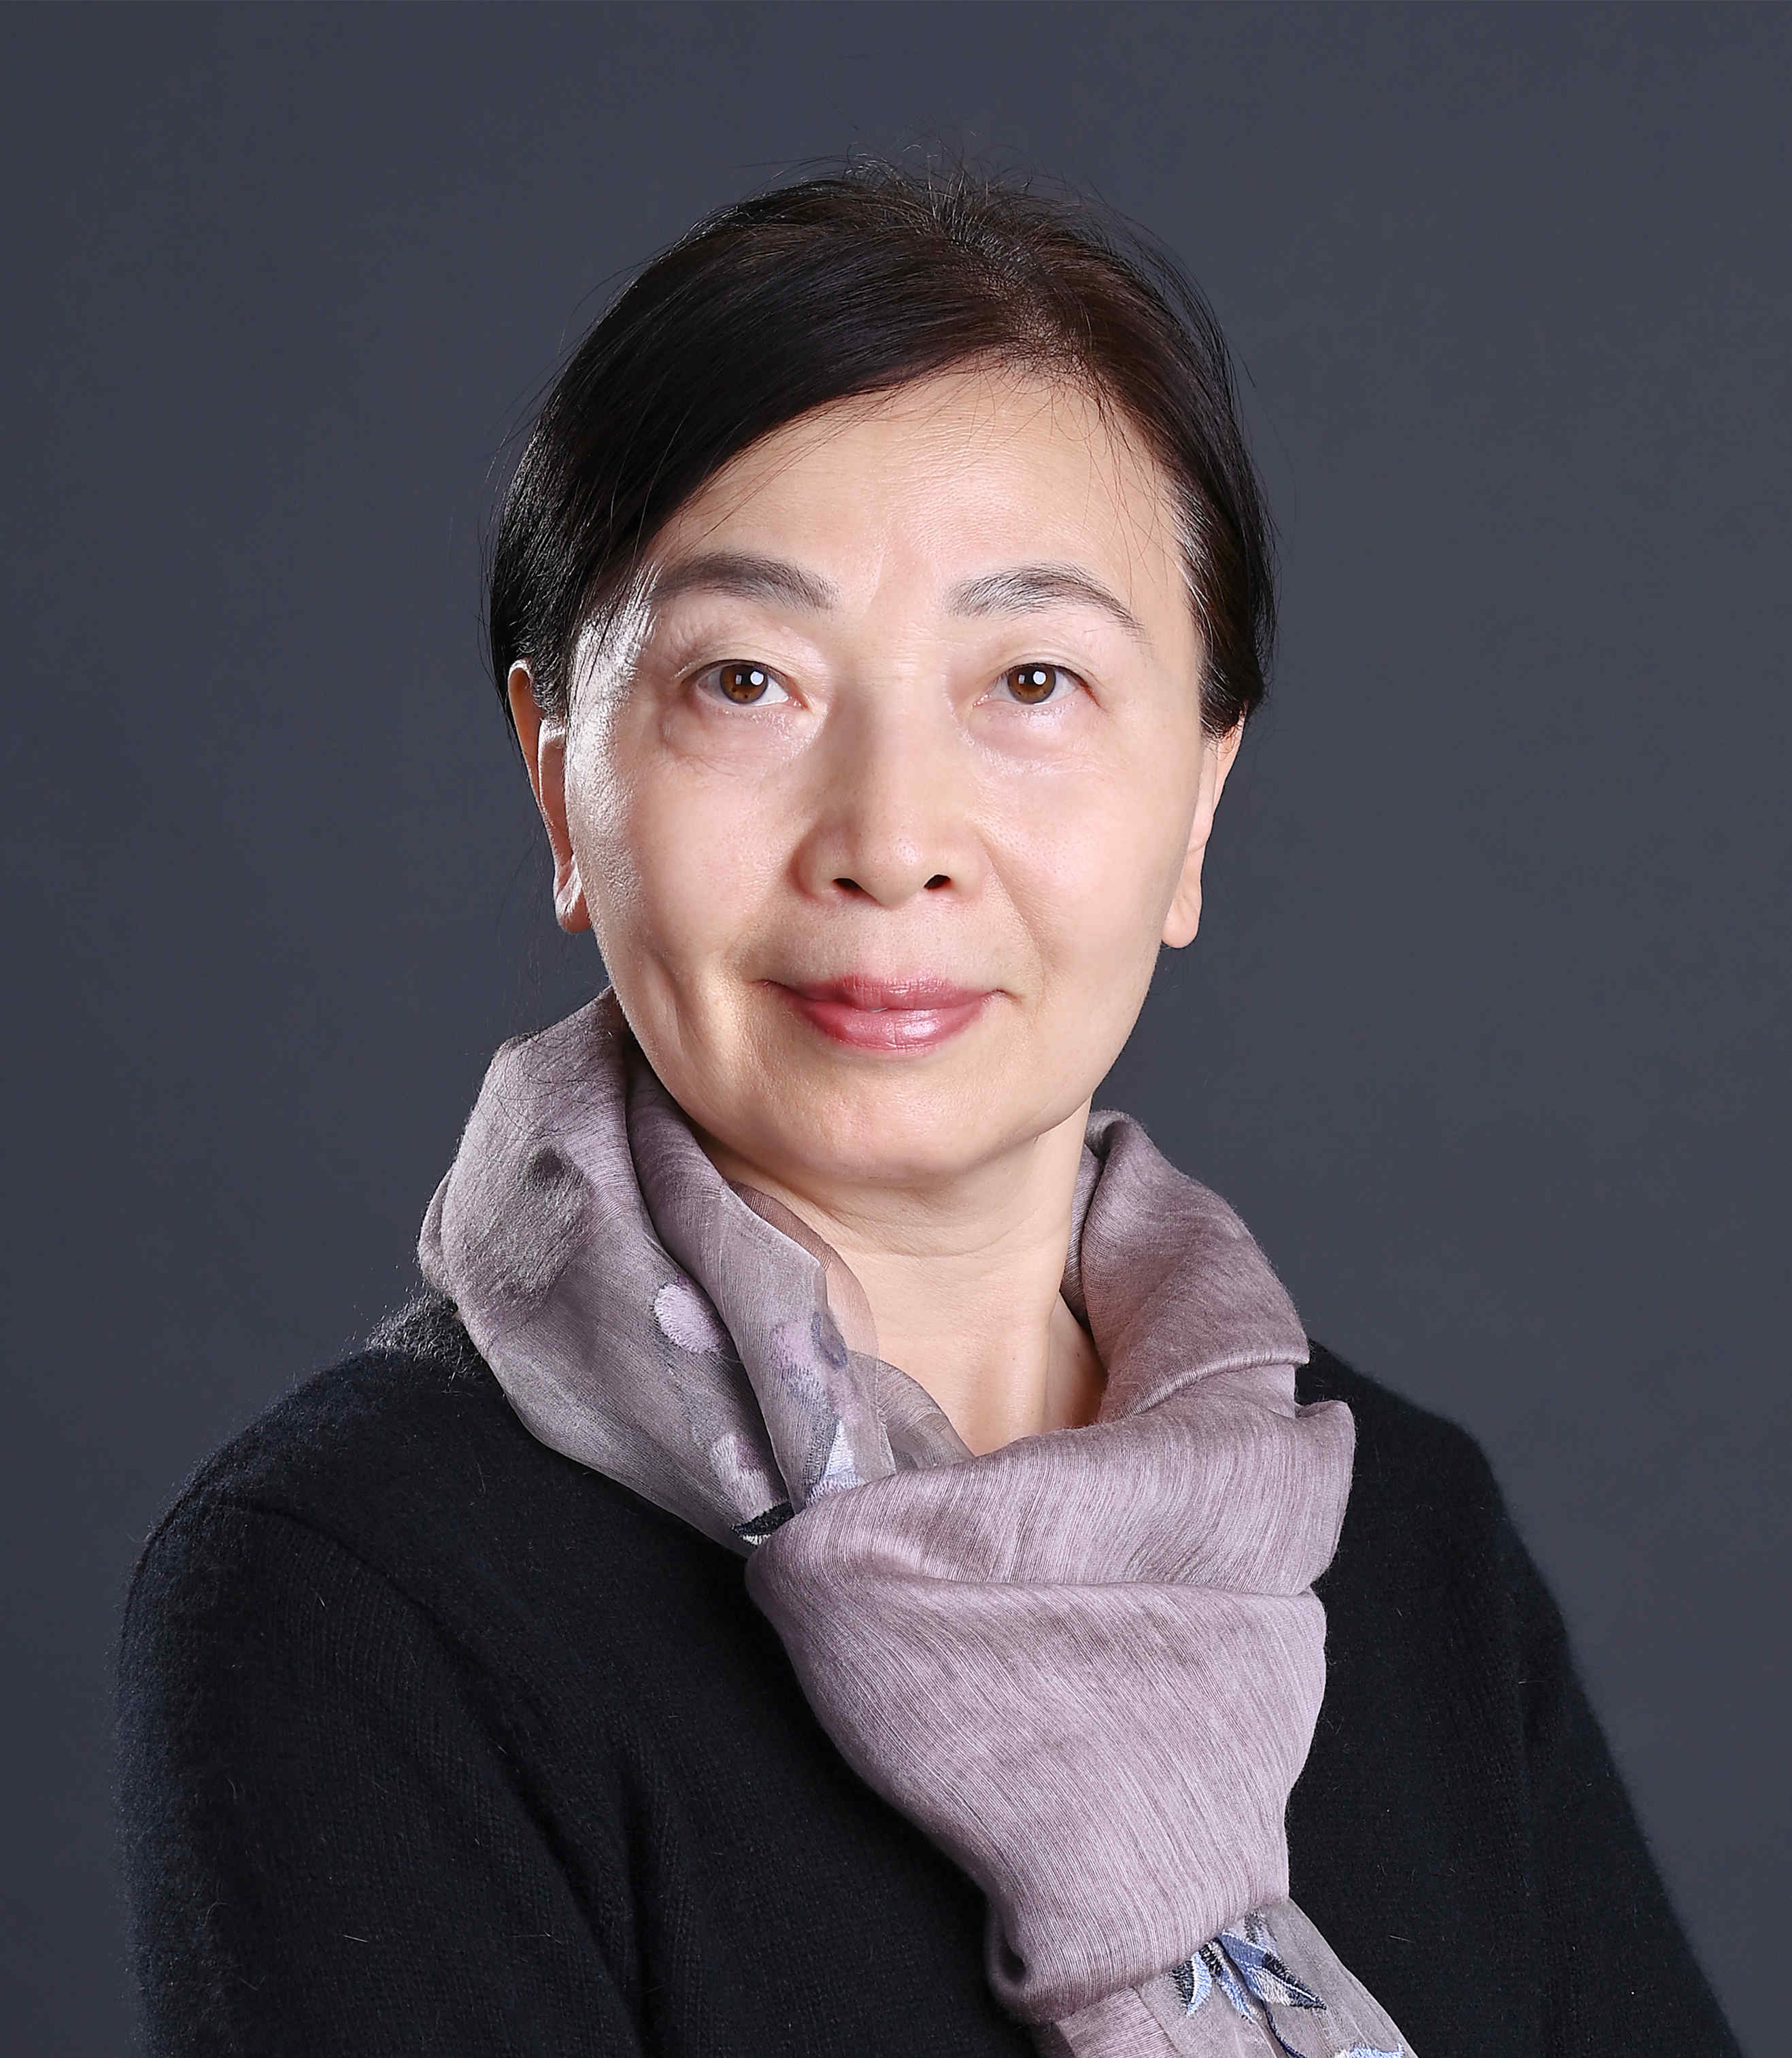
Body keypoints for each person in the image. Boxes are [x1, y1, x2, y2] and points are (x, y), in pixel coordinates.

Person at [116, 165, 1739, 2058]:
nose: (891, 841)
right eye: (747, 682)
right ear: (560, 786)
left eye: (1031, 680)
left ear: (1198, 802)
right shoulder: (352, 1591)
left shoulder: (1398, 1533)